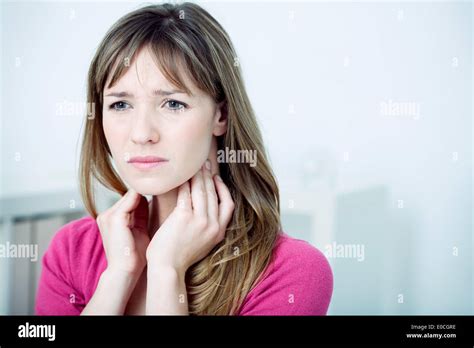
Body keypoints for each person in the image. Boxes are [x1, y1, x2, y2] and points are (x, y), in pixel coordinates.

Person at [35, 2, 333, 315]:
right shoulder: (71, 250)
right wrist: (117, 277)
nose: (141, 133)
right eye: (120, 105)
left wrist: (167, 272)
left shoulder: (293, 272)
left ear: (222, 114)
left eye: (173, 104)